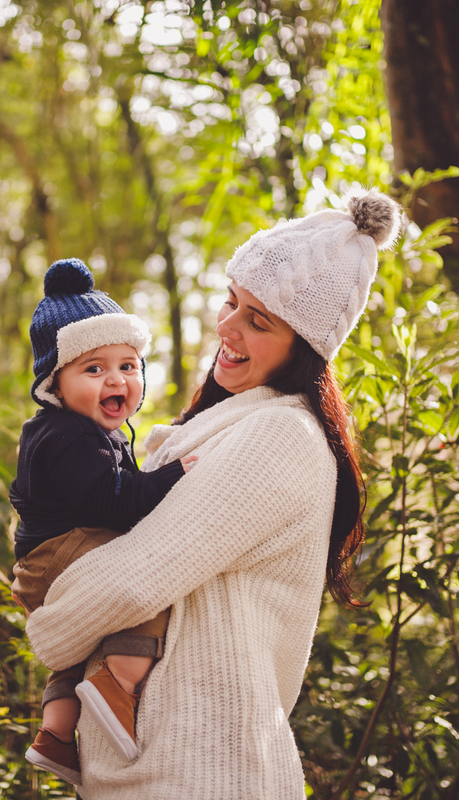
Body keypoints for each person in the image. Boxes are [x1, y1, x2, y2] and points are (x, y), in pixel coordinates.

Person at [25, 189, 402, 798]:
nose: (228, 326)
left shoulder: (279, 434)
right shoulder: (223, 425)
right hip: (156, 765)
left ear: (304, 346)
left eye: (258, 320)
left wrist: (49, 627)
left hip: (204, 764)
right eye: (232, 302)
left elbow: (133, 579)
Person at [10, 258, 198, 786]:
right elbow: (111, 500)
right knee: (141, 579)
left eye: (128, 366)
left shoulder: (89, 430)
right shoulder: (67, 434)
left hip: (51, 557)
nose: (116, 379)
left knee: (81, 633)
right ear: (55, 384)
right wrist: (175, 475)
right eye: (93, 369)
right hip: (60, 553)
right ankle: (119, 683)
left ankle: (55, 734)